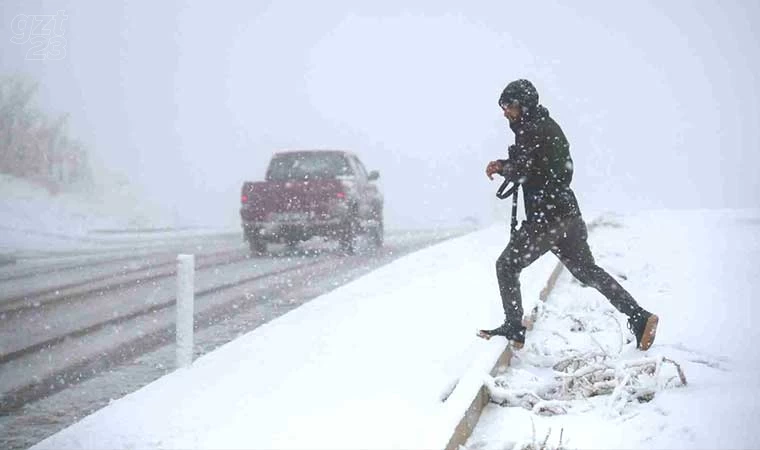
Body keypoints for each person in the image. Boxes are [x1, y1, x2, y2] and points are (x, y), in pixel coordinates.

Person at [479, 79, 659, 350]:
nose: (505, 112)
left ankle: (514, 327)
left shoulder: (533, 129)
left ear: (523, 105)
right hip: (567, 216)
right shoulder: (547, 128)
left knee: (506, 265)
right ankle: (639, 316)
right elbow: (548, 169)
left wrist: (502, 166)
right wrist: (513, 166)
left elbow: (524, 170)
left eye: (508, 106)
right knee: (587, 271)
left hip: (546, 218)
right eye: (503, 107)